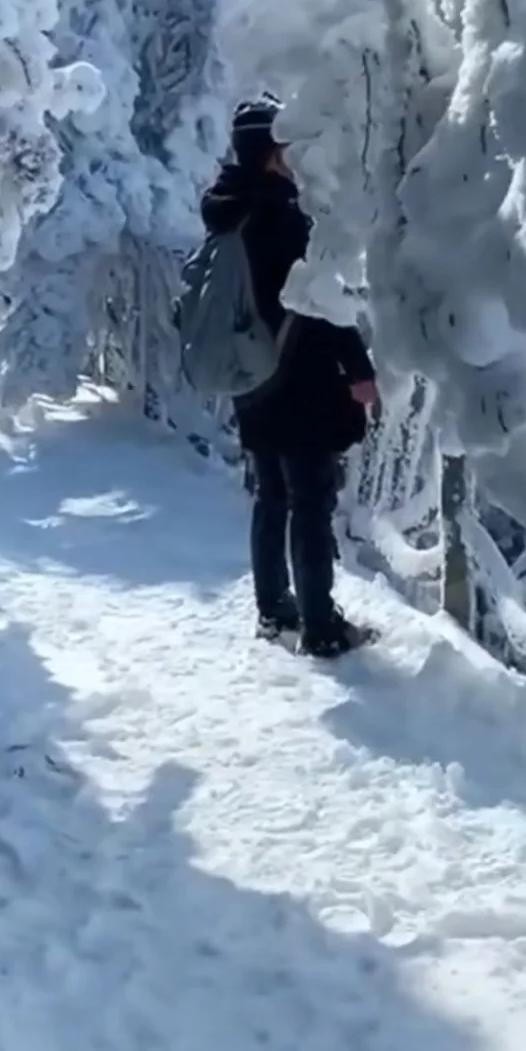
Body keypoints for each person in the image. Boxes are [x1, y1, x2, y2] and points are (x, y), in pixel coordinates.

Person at [200, 97, 379, 657]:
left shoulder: (230, 210)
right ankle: (322, 626)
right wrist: (359, 370)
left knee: (271, 495)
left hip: (251, 376)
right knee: (310, 500)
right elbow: (320, 302)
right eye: (288, 149)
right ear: (271, 153)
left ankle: (275, 611)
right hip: (301, 379)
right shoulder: (283, 217)